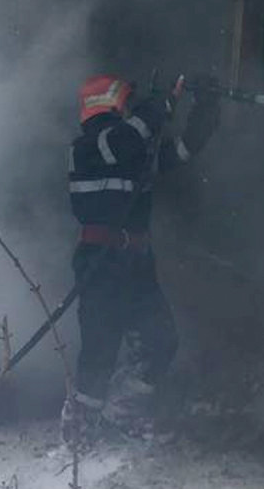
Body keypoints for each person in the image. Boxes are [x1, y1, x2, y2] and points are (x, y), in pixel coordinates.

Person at [60, 73, 220, 446]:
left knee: (160, 339)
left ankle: (123, 411)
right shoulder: (91, 146)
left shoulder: (131, 151)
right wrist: (163, 101)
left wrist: (205, 109)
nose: (131, 110)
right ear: (111, 105)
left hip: (135, 261)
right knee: (99, 348)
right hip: (100, 262)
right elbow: (130, 138)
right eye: (127, 103)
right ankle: (79, 432)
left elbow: (183, 150)